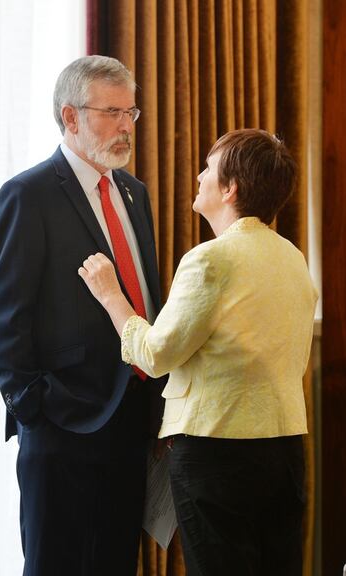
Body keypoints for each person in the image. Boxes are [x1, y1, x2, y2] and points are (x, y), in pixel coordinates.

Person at [79, 128, 317, 576]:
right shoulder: (292, 258)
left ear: (230, 189)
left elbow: (154, 355)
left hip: (217, 450)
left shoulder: (210, 259)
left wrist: (111, 295)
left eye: (209, 168)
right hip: (284, 448)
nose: (199, 175)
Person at [0, 55, 163, 576]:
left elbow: (144, 297)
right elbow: (3, 317)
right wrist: (33, 406)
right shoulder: (28, 194)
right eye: (112, 113)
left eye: (132, 113)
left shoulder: (135, 193)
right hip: (61, 424)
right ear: (70, 117)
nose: (126, 126)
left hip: (131, 420)